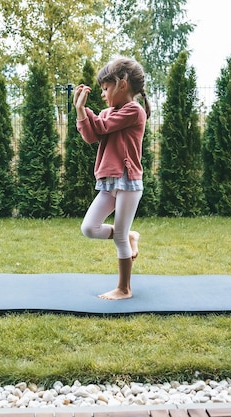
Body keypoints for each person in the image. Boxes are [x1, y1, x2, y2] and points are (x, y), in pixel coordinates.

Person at [73, 57, 151, 300]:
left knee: (118, 235)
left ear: (122, 84)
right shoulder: (109, 112)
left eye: (106, 89)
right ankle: (129, 235)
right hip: (109, 182)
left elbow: (103, 126)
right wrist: (80, 112)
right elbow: (92, 135)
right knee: (89, 228)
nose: (103, 95)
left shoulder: (134, 111)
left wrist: (83, 110)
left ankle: (124, 289)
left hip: (128, 181)